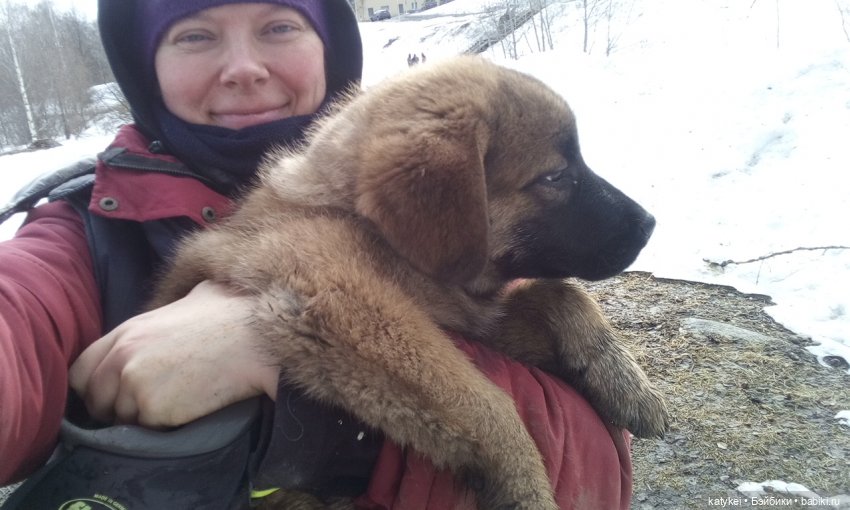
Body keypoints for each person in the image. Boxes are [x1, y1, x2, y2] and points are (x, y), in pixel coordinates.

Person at [0, 0, 633, 507]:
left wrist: (305, 408)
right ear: (147, 67)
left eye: (279, 25)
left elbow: (598, 477)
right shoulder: (82, 238)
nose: (243, 67)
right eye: (194, 34)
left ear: (328, 46)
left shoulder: (449, 208)